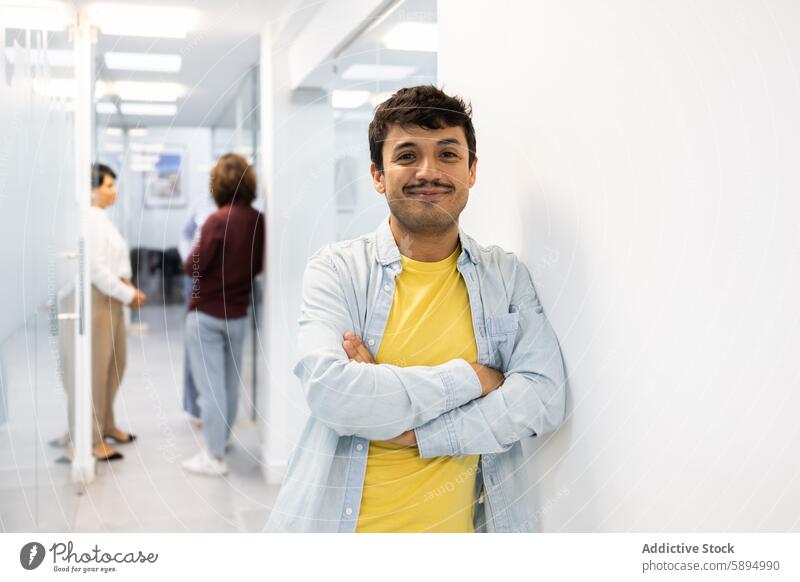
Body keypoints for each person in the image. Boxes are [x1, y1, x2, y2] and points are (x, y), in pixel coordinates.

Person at [266, 86, 567, 533]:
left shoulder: (505, 277)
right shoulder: (337, 270)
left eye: (448, 154)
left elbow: (544, 396)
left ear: (472, 170)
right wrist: (476, 379)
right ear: (377, 175)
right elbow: (334, 393)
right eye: (407, 155)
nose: (430, 171)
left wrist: (416, 432)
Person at [54, 163, 146, 462]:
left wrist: (127, 290)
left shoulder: (102, 219)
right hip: (98, 300)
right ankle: (90, 439)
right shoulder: (90, 220)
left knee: (113, 366)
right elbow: (94, 269)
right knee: (94, 370)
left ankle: (106, 425)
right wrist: (129, 293)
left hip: (111, 300)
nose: (113, 191)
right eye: (108, 185)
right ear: (92, 190)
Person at [182, 153, 265, 476]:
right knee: (230, 384)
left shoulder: (216, 221)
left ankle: (213, 456)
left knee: (210, 387)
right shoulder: (259, 220)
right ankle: (222, 440)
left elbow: (193, 265)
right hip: (238, 313)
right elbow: (258, 265)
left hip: (207, 314)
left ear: (218, 183)